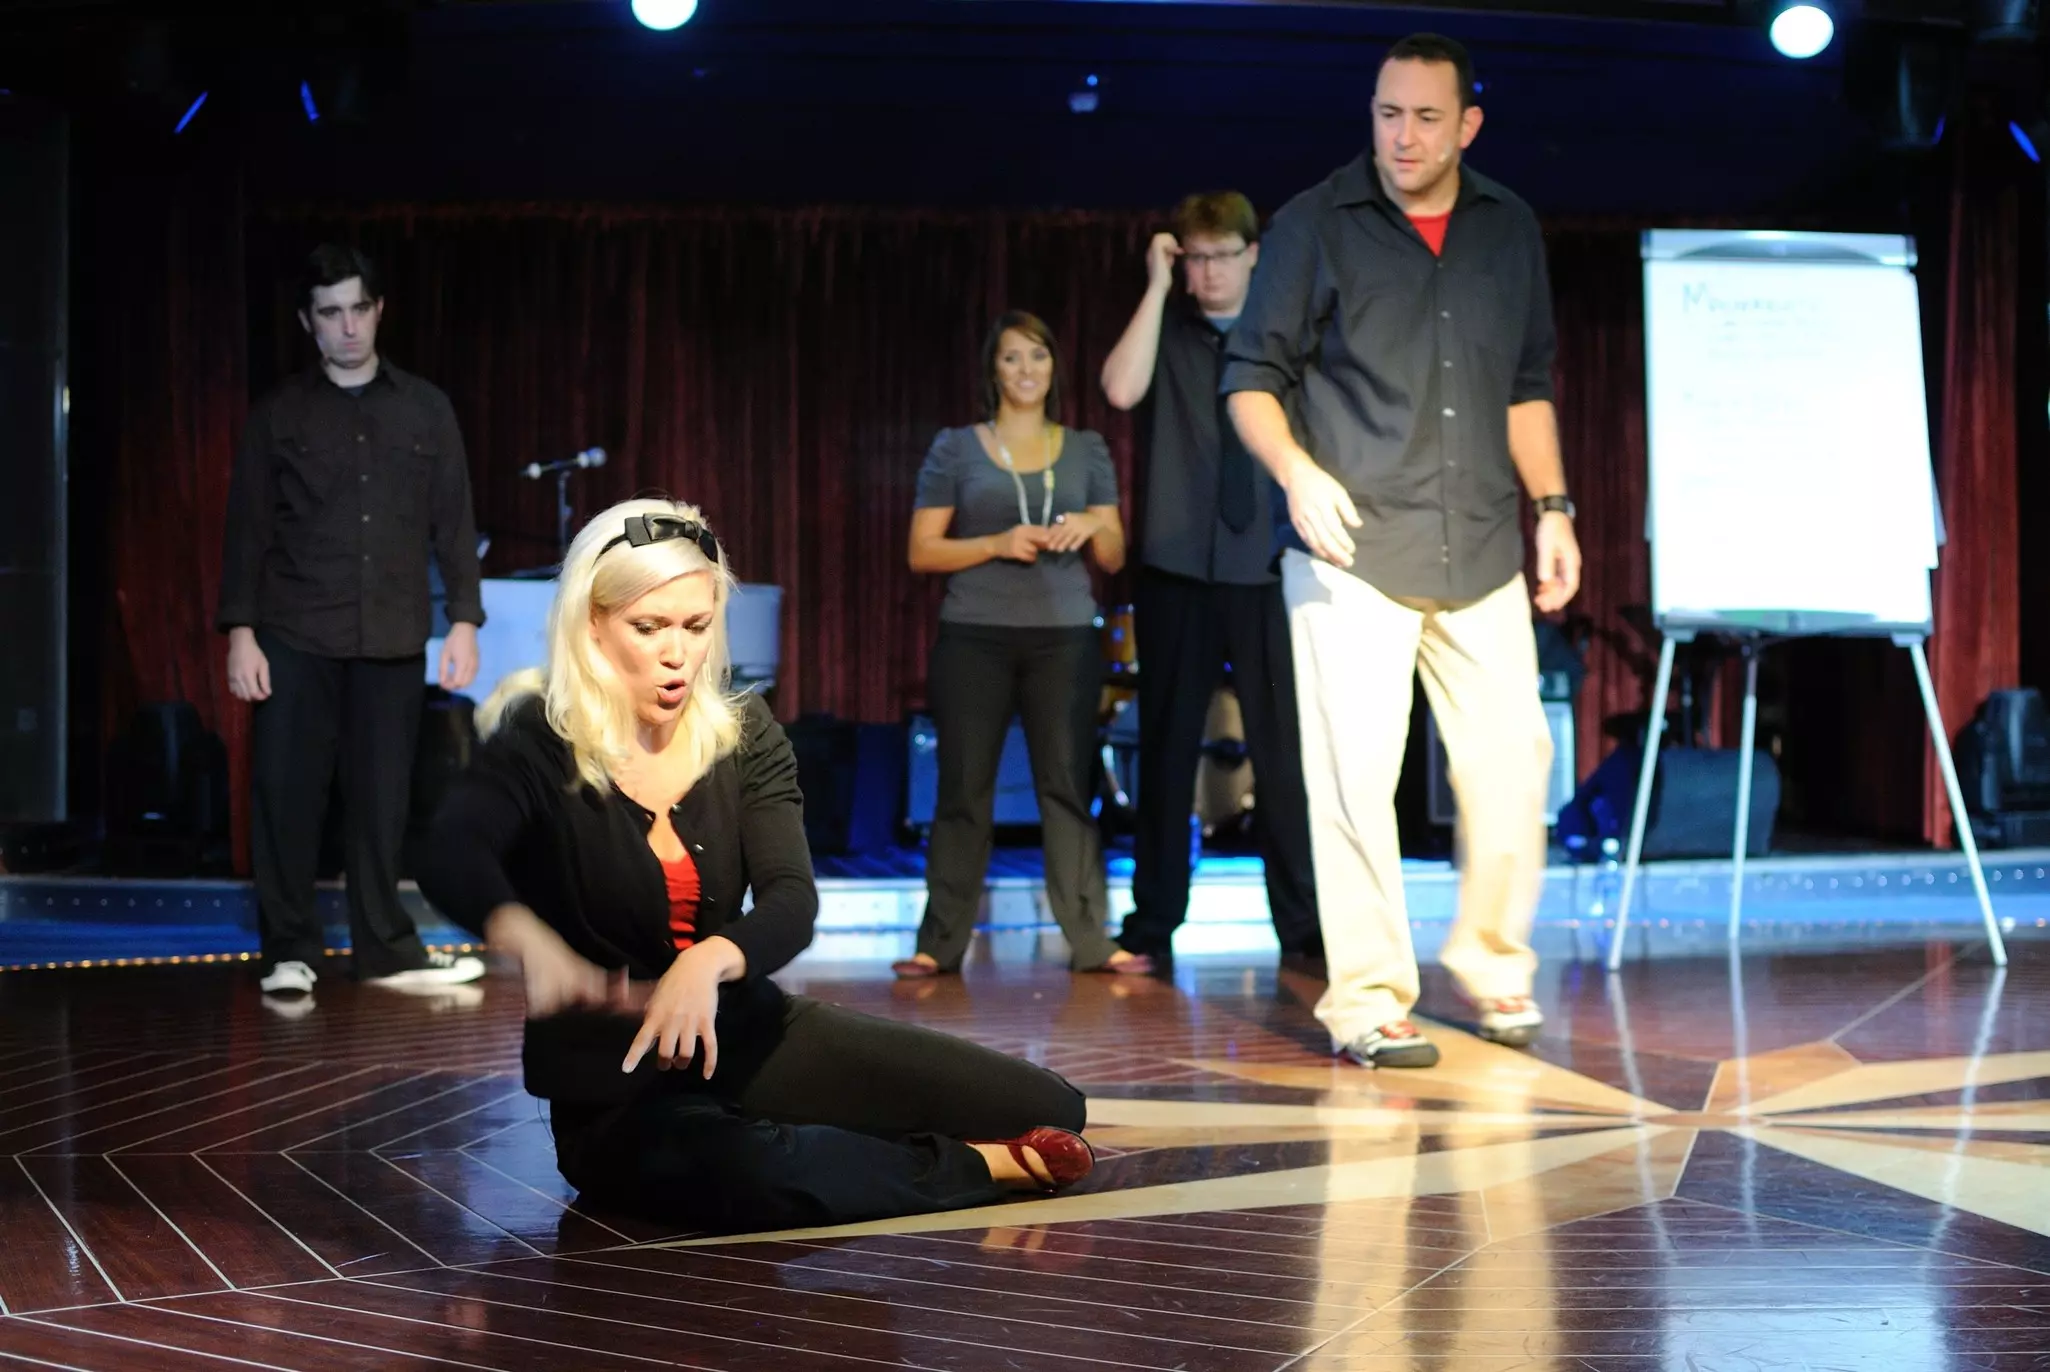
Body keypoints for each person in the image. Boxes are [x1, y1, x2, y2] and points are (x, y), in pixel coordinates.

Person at [414, 499, 1095, 1231]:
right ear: (594, 624)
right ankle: (973, 1167)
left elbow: (791, 899)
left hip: (749, 1038)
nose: (678, 653)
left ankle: (842, 1147)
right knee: (756, 1170)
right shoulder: (540, 736)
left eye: (696, 626)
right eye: (649, 627)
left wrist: (706, 962)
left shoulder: (743, 730)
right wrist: (528, 938)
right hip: (619, 1094)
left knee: (1049, 1105)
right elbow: (449, 851)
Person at [1221, 34, 1581, 1067]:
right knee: (1353, 779)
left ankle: (1493, 960)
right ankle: (1369, 1000)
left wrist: (1553, 507)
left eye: (1426, 117)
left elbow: (1525, 386)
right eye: (1388, 114)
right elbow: (1250, 379)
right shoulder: (1313, 223)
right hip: (1352, 545)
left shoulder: (1508, 227)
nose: (1404, 136)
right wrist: (1297, 472)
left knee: (1513, 764)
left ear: (1468, 124)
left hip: (1480, 541)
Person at [219, 243, 487, 996]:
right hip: (294, 631)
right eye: (330, 312)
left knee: (383, 803)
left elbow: (454, 522)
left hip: (392, 634)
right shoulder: (279, 414)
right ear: (308, 321)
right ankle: (289, 952)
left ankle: (387, 952)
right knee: (287, 796)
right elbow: (247, 530)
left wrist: (464, 621)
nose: (347, 326)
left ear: (378, 311)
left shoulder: (425, 409)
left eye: (358, 309)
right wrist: (240, 633)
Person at [1099, 191, 1321, 973]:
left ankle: (1305, 927)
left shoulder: (1285, 332)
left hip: (1268, 565)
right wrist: (1157, 286)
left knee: (1283, 752)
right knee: (1167, 747)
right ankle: (1153, 920)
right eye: (1194, 258)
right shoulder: (1168, 327)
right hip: (1177, 564)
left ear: (1252, 255)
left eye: (1221, 256)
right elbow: (1119, 390)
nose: (1208, 272)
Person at [900, 311, 1150, 978]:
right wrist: (996, 542)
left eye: (1037, 356)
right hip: (974, 635)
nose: (1026, 370)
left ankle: (1091, 940)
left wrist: (1090, 523)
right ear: (994, 370)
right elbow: (922, 550)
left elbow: (1114, 552)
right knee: (963, 789)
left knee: (1066, 786)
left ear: (1053, 368)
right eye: (1011, 357)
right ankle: (939, 943)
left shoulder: (1086, 448)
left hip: (1064, 637)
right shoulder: (956, 447)